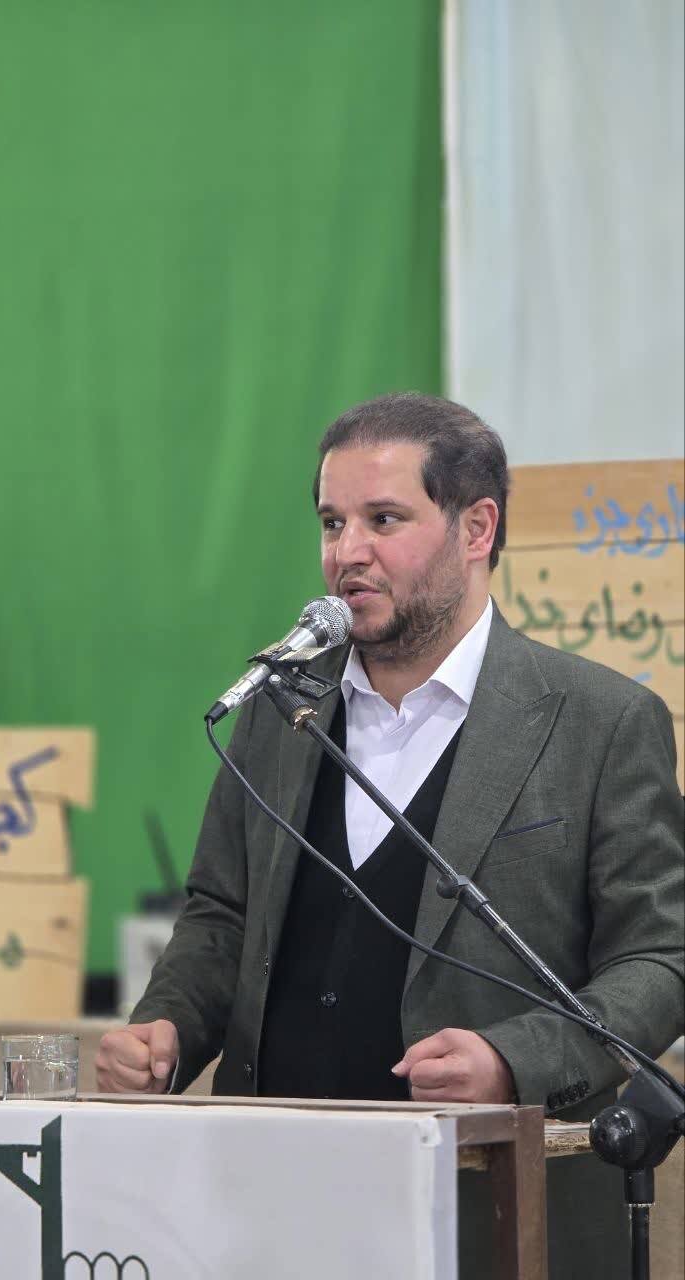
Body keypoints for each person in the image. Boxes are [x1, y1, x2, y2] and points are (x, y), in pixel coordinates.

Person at [96, 393, 684, 1278]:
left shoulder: (599, 722)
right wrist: (169, 1026)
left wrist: (512, 1060)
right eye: (332, 522)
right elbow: (222, 915)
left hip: (490, 1214)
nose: (347, 553)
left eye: (383, 519)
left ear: (476, 528)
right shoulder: (278, 707)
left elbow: (658, 958)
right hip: (267, 1206)